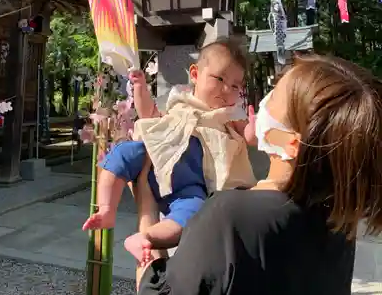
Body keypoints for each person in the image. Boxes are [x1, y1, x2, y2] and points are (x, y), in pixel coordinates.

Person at [136, 54, 382, 295]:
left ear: (292, 144)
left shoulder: (229, 217)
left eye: (273, 97)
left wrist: (146, 209)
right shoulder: (339, 223)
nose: (262, 103)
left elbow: (157, 289)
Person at [83, 38, 256, 264]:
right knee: (123, 153)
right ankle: (107, 209)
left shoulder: (230, 115)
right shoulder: (180, 101)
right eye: (220, 79)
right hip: (158, 157)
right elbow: (151, 117)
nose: (226, 89)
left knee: (192, 213)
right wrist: (139, 88)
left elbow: (249, 137)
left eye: (235, 86)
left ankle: (147, 238)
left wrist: (254, 127)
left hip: (191, 184)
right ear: (195, 74)